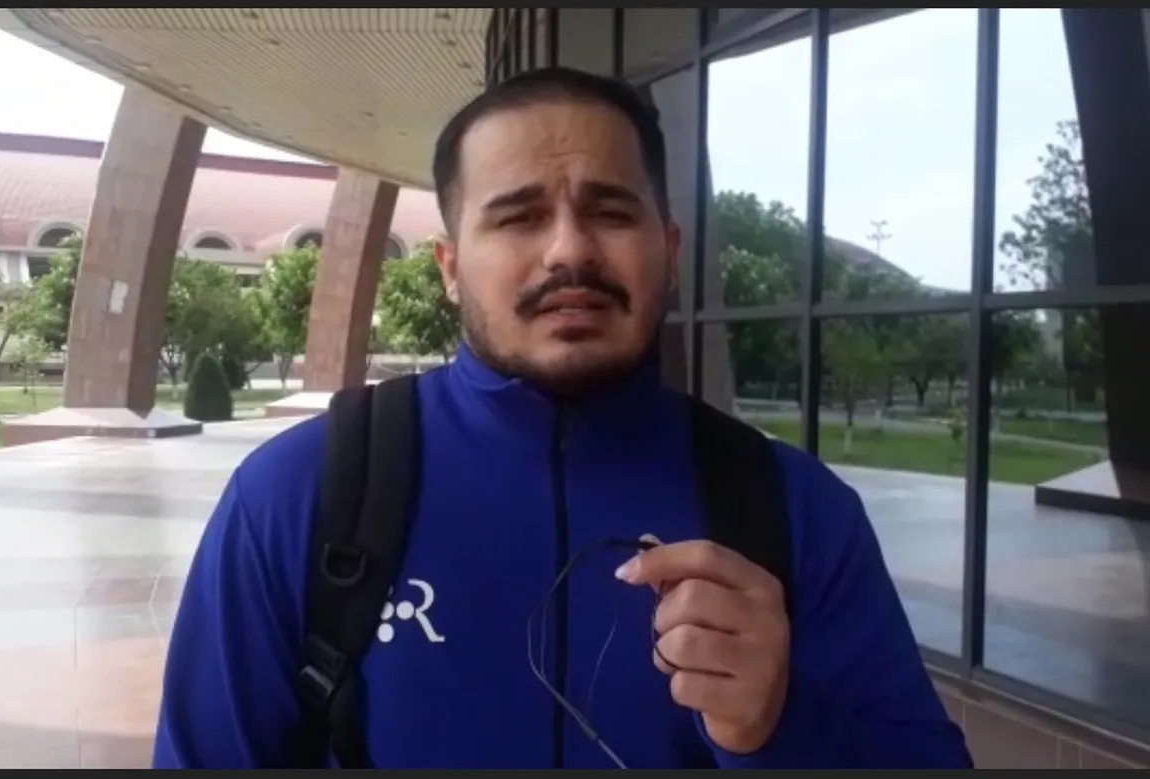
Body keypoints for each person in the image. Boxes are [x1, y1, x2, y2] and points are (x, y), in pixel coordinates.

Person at [152, 66, 973, 769]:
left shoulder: (794, 509)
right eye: (518, 216)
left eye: (611, 212)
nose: (570, 250)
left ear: (669, 251)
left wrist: (781, 725)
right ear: (450, 267)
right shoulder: (298, 494)